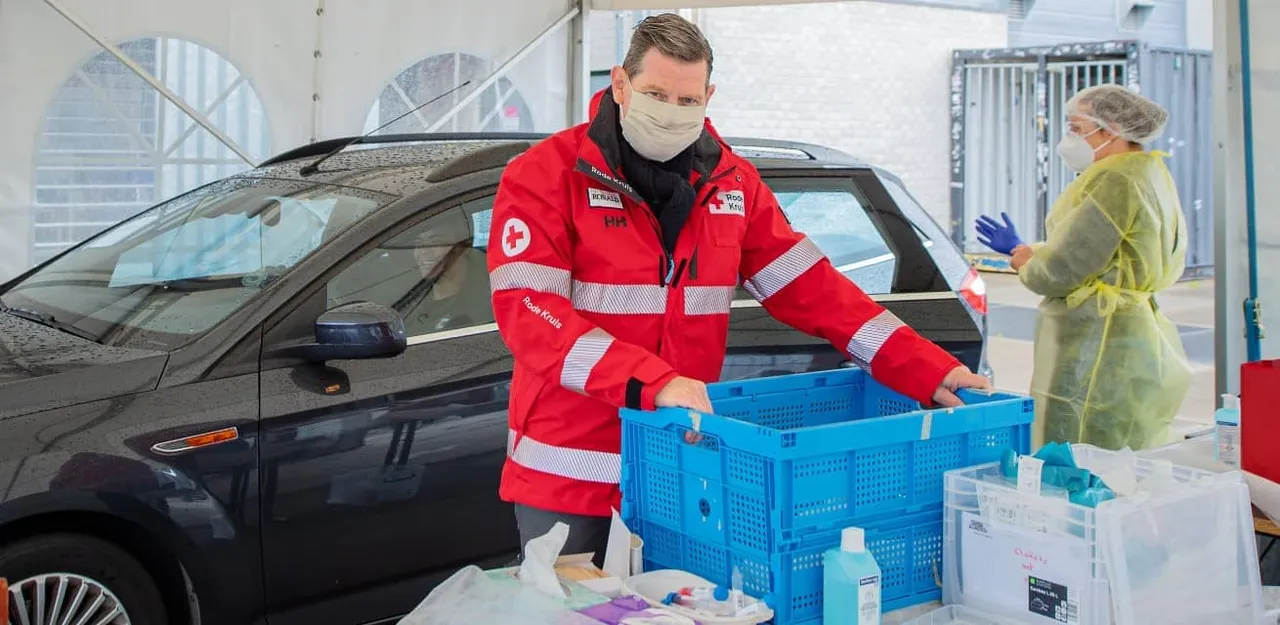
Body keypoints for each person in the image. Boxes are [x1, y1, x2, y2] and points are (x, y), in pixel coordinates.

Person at [489, 12, 990, 563]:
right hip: (570, 473)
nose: (672, 113)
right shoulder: (545, 174)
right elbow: (532, 316)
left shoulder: (732, 183)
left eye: (687, 101)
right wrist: (653, 383)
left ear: (709, 95)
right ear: (620, 83)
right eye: (657, 94)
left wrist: (920, 363)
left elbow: (813, 288)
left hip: (680, 467)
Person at [974, 84, 1192, 452]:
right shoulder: (1149, 172)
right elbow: (1107, 251)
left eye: (1076, 128)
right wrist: (1032, 249)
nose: (1068, 139)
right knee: (1125, 445)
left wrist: (1022, 257)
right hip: (1133, 332)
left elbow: (1062, 271)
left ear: (1110, 130)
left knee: (1079, 441)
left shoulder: (1113, 179)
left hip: (1099, 336)